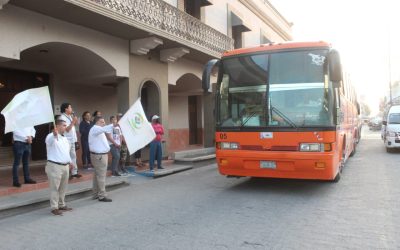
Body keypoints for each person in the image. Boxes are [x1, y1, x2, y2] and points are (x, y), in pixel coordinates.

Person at [45, 119, 73, 216]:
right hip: (54, 166)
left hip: (65, 166)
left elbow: (66, 152)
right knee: (54, 188)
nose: (66, 127)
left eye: (66, 125)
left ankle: (61, 204)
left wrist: (70, 162)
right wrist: (54, 134)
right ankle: (54, 207)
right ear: (57, 126)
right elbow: (49, 141)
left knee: (63, 188)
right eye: (64, 125)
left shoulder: (65, 138)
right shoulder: (50, 136)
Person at [89, 116, 114, 202]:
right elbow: (106, 128)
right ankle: (102, 195)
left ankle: (95, 194)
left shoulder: (97, 129)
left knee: (97, 175)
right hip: (100, 156)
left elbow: (106, 130)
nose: (104, 123)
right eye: (102, 122)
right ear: (97, 122)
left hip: (99, 155)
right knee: (101, 176)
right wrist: (114, 124)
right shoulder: (96, 128)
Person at [60, 103, 82, 179]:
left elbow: (72, 128)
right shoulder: (62, 117)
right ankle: (66, 173)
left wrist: (74, 121)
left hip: (72, 139)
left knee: (73, 156)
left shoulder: (70, 116)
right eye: (70, 107)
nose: (71, 109)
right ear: (66, 109)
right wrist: (73, 121)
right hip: (66, 140)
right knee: (66, 157)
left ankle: (74, 172)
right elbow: (67, 129)